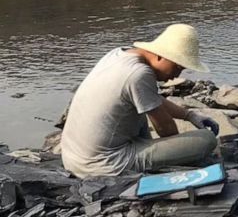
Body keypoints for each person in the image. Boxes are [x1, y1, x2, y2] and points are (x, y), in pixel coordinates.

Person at [61, 23, 219, 178]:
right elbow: (166, 128)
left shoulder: (118, 54)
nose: (176, 76)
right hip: (104, 164)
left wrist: (189, 115)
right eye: (177, 68)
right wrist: (181, 150)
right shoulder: (139, 74)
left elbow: (150, 97)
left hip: (73, 158)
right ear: (161, 56)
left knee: (140, 106)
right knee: (207, 140)